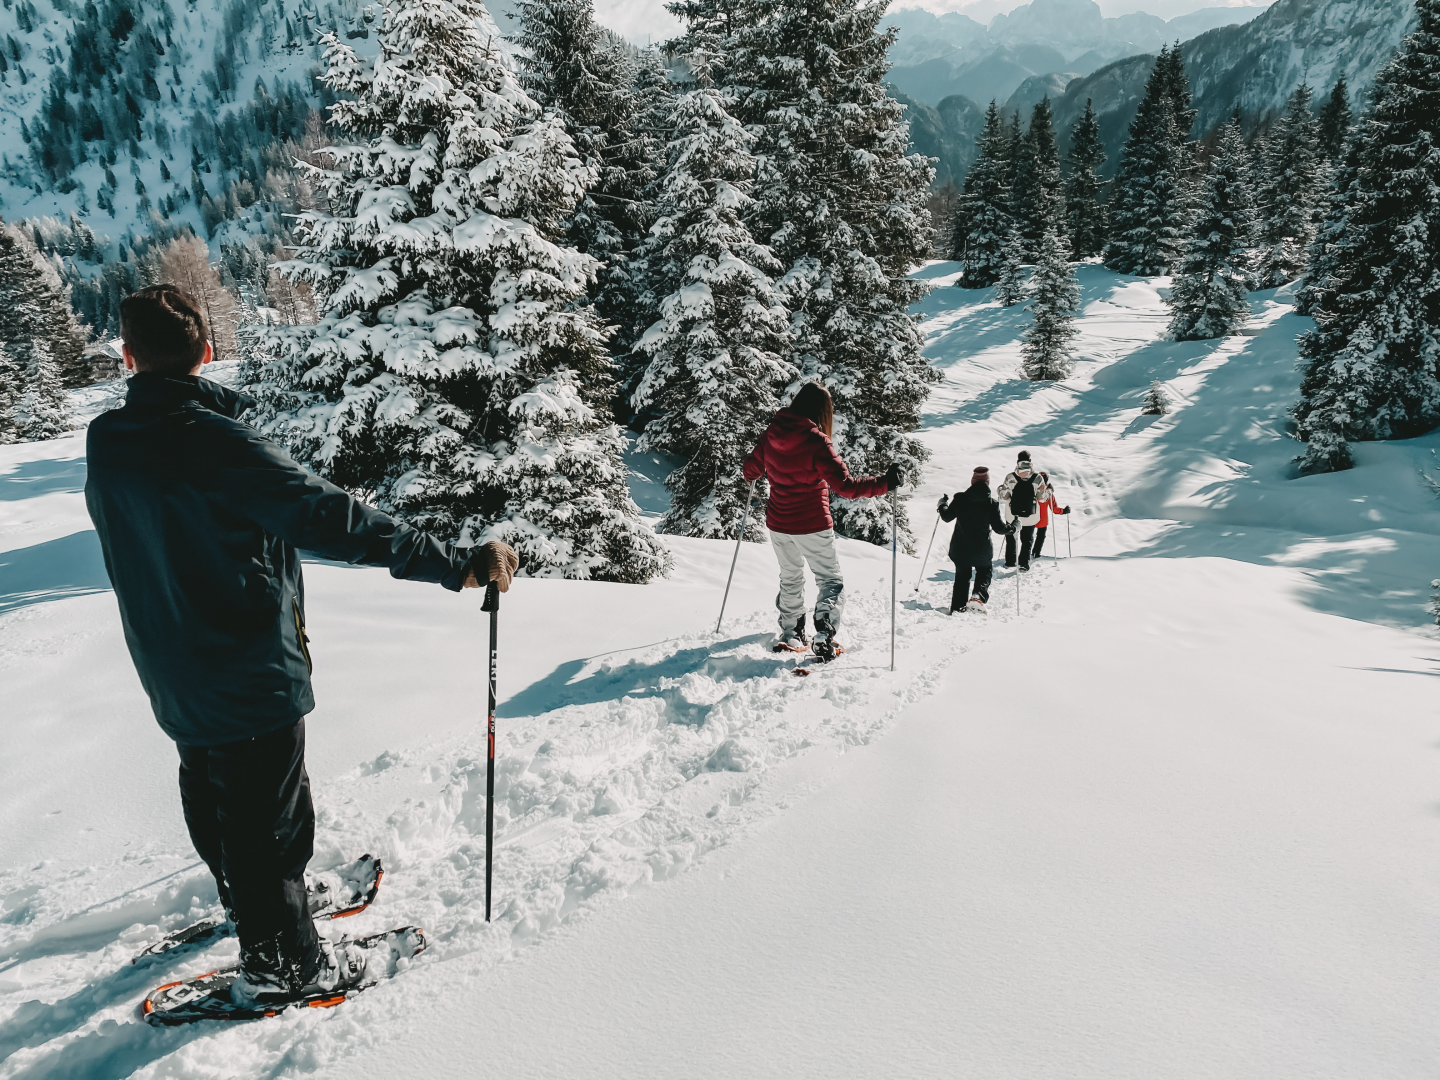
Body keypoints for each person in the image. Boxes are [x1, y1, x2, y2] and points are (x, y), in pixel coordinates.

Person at [84, 285, 520, 1005]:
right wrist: (453, 563)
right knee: (270, 821)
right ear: (209, 353)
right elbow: (327, 516)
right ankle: (284, 962)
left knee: (216, 795)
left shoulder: (111, 439)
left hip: (171, 664)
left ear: (128, 358)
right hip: (245, 664)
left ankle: (259, 907)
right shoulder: (213, 442)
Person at [743, 383, 897, 661]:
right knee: (830, 580)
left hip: (778, 522)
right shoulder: (816, 442)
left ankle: (791, 633)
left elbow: (750, 470)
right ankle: (824, 631)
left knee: (790, 577)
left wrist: (761, 466)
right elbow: (847, 487)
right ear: (821, 411)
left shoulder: (772, 433)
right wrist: (885, 482)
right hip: (812, 523)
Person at [937, 467, 1012, 613]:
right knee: (985, 571)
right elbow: (999, 528)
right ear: (987, 483)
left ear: (972, 481)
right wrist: (1013, 527)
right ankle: (978, 595)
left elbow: (946, 517)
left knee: (962, 576)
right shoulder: (992, 504)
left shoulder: (960, 499)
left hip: (961, 549)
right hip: (982, 550)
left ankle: (958, 608)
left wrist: (942, 505)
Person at [997, 450, 1052, 571]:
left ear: (1018, 462)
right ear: (1030, 462)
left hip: (1012, 515)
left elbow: (1004, 496)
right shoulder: (1037, 478)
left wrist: (999, 489)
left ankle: (1010, 562)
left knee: (1011, 538)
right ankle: (1023, 564)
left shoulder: (1010, 477)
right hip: (1030, 516)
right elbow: (1042, 498)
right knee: (1027, 540)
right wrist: (1048, 492)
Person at [1033, 471, 1070, 560]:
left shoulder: (1032, 489)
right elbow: (1054, 509)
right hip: (1042, 519)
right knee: (1040, 536)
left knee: (1028, 537)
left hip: (1031, 517)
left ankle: (1027, 553)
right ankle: (1036, 553)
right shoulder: (1048, 492)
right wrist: (1064, 511)